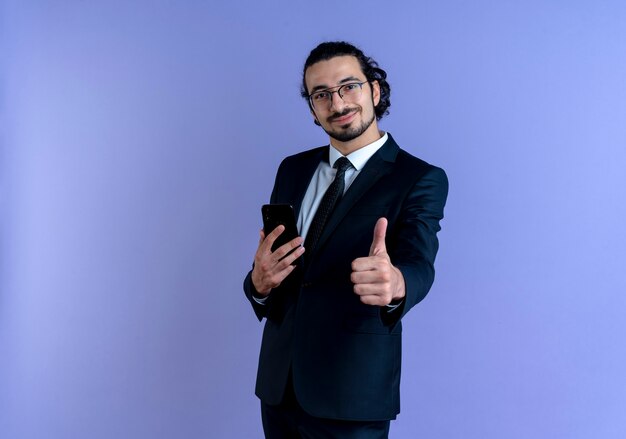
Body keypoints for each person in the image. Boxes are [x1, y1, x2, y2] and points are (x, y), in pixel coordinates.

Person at [243, 41, 448, 438]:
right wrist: (257, 284)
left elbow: (419, 262)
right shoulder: (293, 169)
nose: (337, 103)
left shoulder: (418, 178)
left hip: (352, 391)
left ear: (374, 90)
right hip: (279, 386)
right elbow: (275, 270)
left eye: (348, 86)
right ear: (312, 108)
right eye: (321, 94)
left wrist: (398, 284)